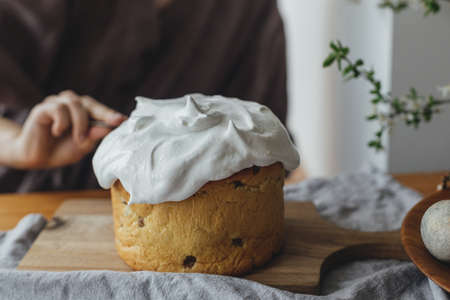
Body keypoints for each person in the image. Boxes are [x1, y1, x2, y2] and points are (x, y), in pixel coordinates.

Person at [0, 0, 288, 193]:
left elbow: (261, 143)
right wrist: (19, 145)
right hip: (28, 203)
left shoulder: (249, 10)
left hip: (187, 214)